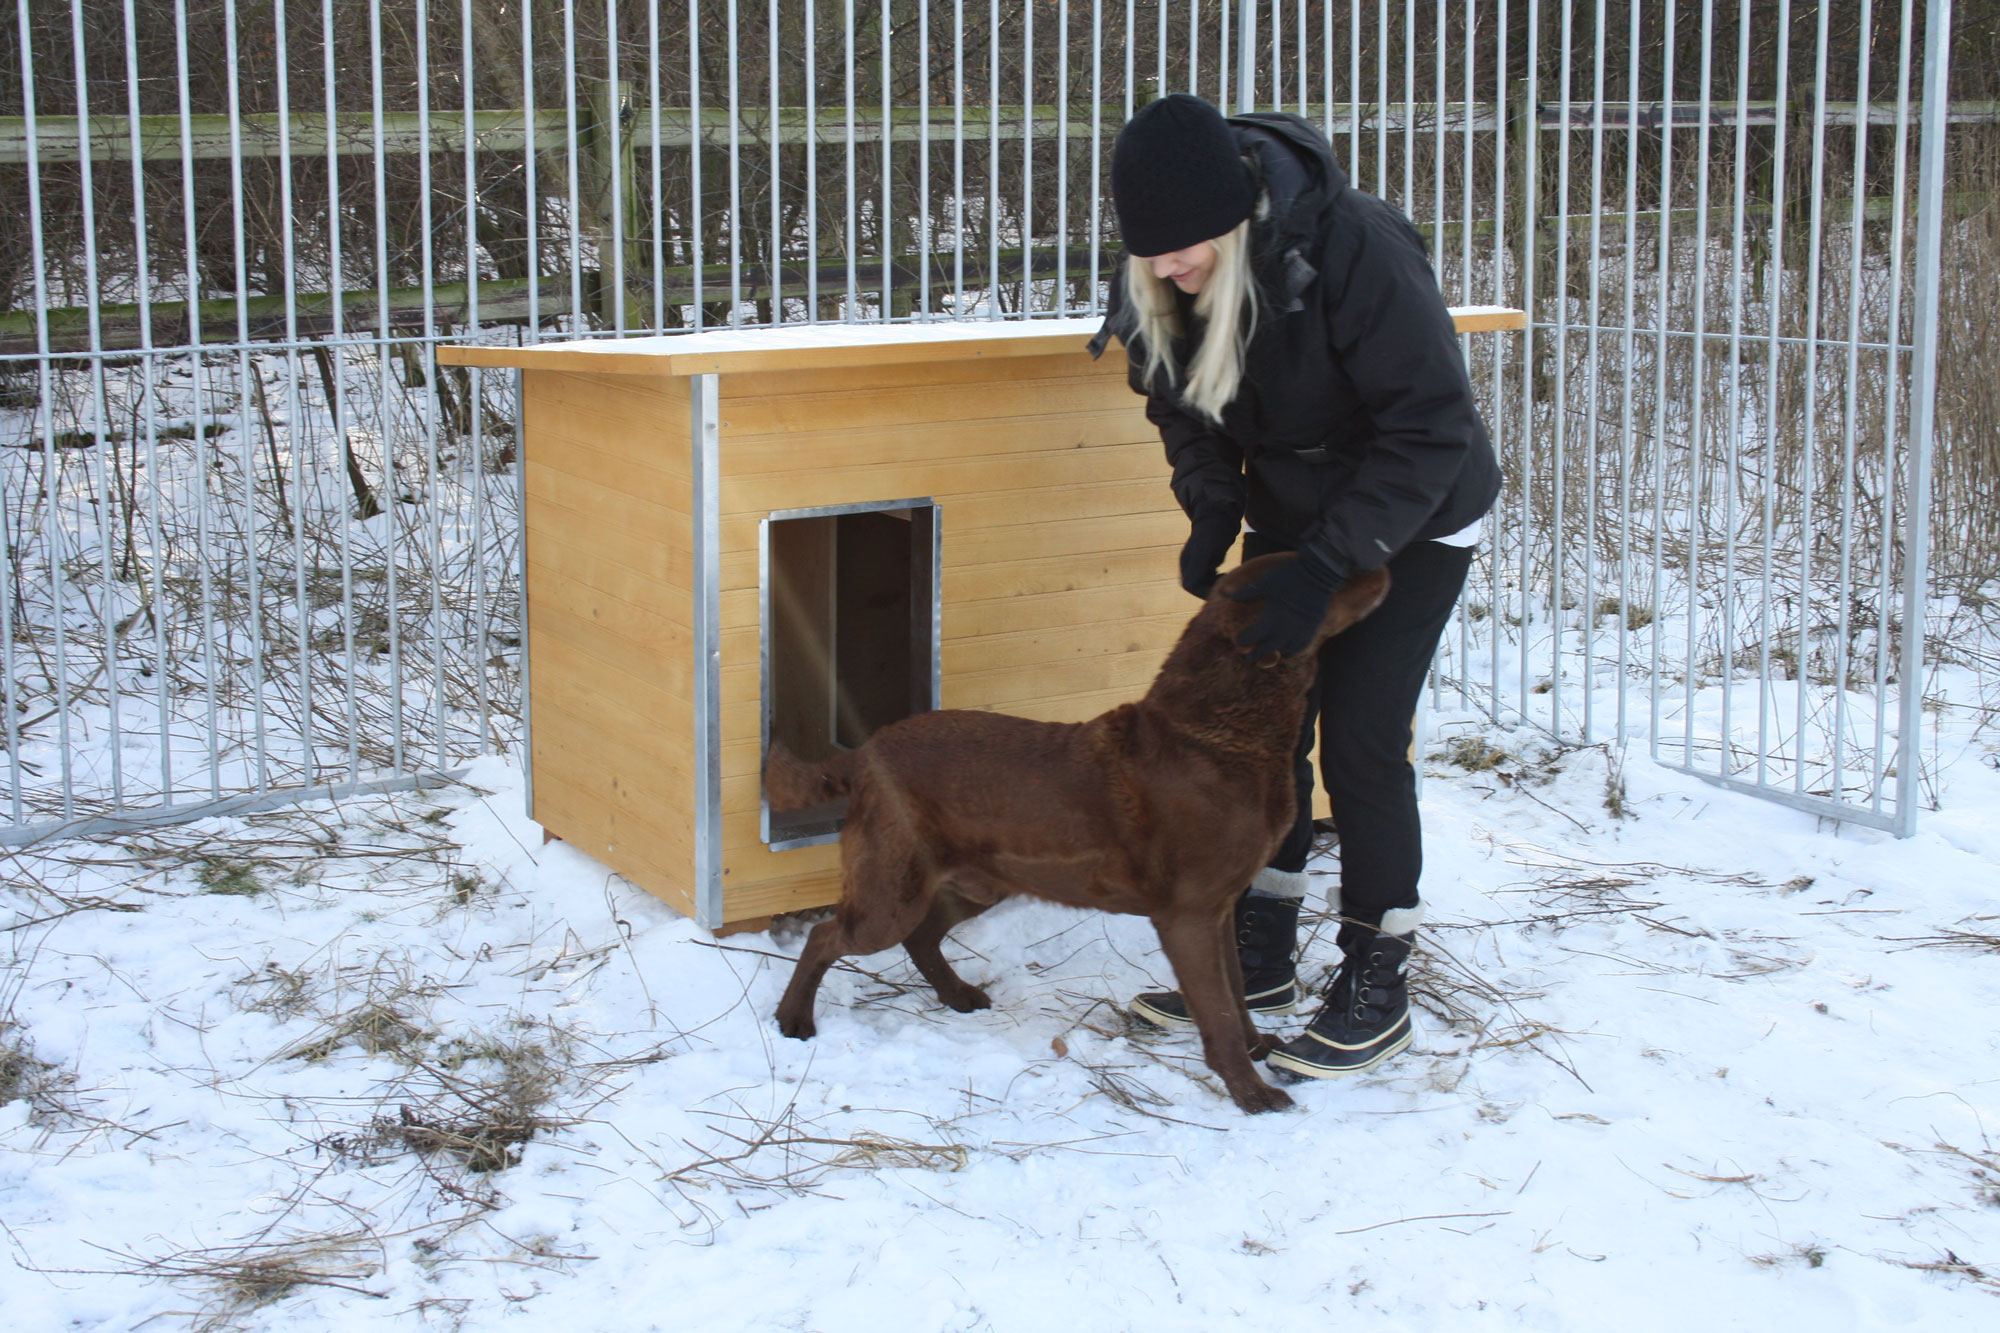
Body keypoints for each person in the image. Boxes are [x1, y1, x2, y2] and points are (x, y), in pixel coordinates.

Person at [1087, 93, 1499, 1079]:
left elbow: (1429, 425)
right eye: (1150, 255)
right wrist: (1211, 507)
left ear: (1234, 216)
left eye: (1184, 250)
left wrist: (1324, 565)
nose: (1167, 270)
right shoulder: (1162, 268)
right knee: (1262, 720)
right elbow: (1177, 401)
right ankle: (1261, 950)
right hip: (1294, 504)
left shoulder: (1351, 248)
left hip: (1417, 506)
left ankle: (1375, 974)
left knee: (1359, 731)